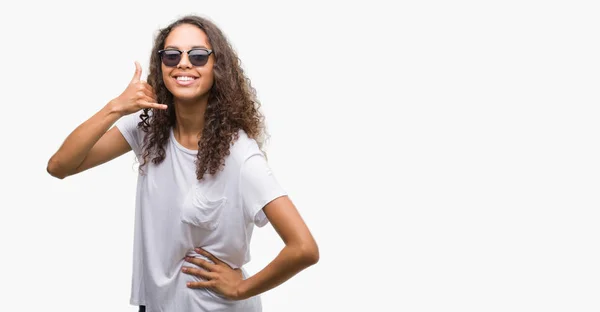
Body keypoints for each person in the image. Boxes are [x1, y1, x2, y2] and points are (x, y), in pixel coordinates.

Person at [47, 14, 319, 312]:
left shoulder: (241, 155)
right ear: (161, 65)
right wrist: (116, 107)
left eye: (199, 56)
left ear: (218, 67)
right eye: (172, 55)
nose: (184, 63)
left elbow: (303, 248)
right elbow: (60, 166)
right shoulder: (149, 130)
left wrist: (241, 288)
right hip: (155, 305)